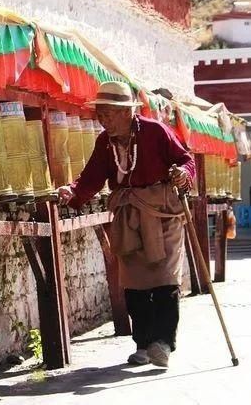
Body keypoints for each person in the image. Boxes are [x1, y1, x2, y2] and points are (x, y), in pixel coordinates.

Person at [58, 81, 194, 368]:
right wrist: (73, 191)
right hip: (129, 215)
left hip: (162, 212)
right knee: (134, 283)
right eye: (101, 114)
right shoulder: (104, 142)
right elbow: (91, 177)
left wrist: (182, 172)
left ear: (126, 112)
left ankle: (163, 343)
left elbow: (185, 158)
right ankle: (143, 344)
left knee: (165, 278)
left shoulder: (155, 131)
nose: (103, 119)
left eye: (108, 113)